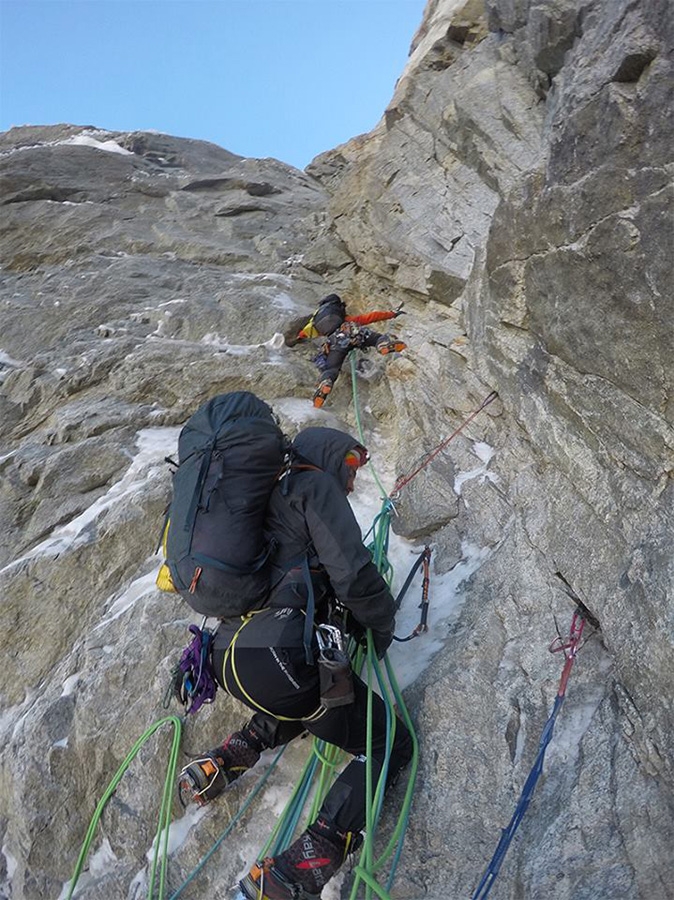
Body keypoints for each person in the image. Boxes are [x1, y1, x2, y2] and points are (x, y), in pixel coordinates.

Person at [178, 427, 413, 900]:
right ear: (326, 458)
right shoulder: (312, 486)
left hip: (227, 657)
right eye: (348, 468)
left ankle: (224, 761)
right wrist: (381, 627)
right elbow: (354, 574)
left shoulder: (260, 504)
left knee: (300, 700)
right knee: (388, 743)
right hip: (279, 658)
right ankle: (298, 868)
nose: (350, 483)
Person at [296, 293, 407, 408]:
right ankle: (382, 345)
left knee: (332, 368)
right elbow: (370, 317)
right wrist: (392, 314)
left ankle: (326, 382)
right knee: (376, 338)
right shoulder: (345, 319)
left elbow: (305, 333)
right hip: (352, 333)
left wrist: (298, 337)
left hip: (335, 343)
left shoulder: (317, 322)